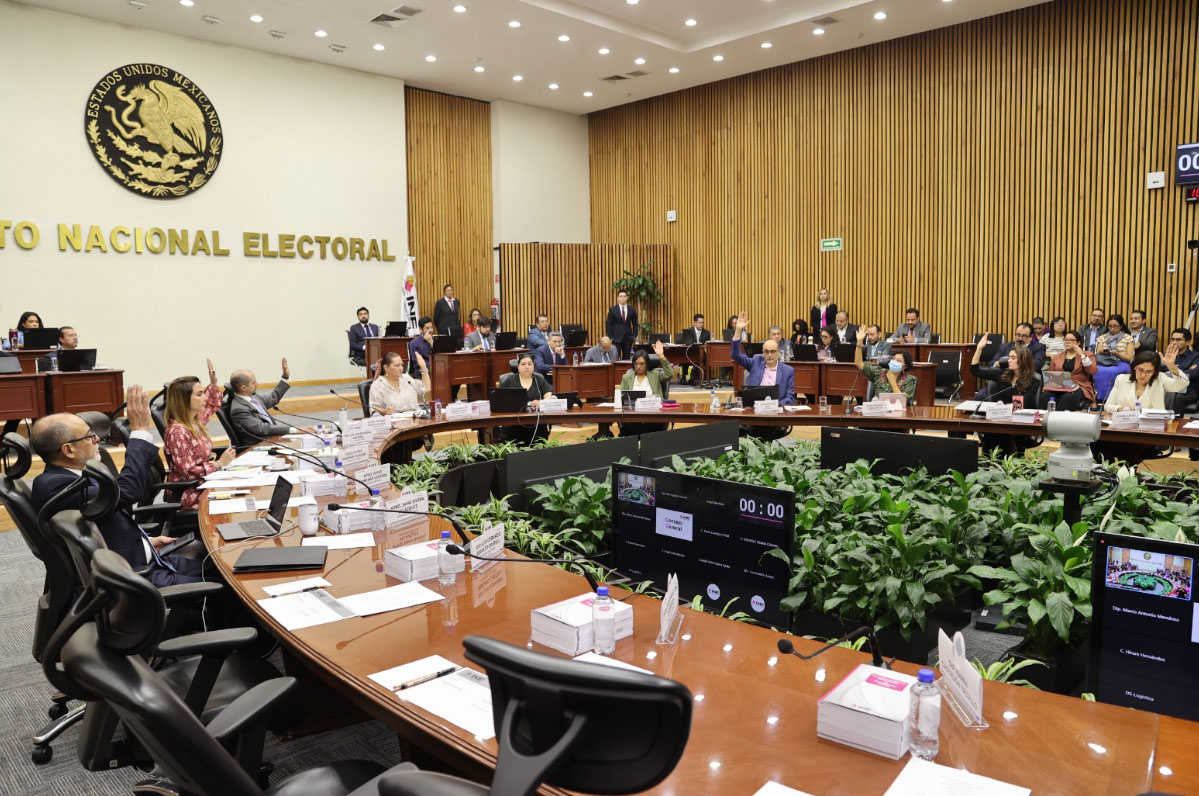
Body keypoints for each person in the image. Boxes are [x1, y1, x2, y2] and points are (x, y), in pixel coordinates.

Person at [30, 386, 205, 586]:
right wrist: (139, 433)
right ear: (69, 450)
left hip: (143, 555)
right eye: (89, 436)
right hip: (136, 576)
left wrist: (146, 541)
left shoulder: (71, 475)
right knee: (227, 584)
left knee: (220, 565)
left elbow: (106, 523)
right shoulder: (57, 487)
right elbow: (127, 492)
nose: (97, 439)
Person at [162, 360, 236, 510]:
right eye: (199, 394)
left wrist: (213, 384)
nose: (205, 398)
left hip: (204, 484)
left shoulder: (194, 422)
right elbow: (187, 472)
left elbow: (211, 406)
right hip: (190, 495)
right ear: (184, 400)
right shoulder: (177, 432)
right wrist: (218, 464)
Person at [1099, 350, 1189, 465]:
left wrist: (1172, 367)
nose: (1143, 374)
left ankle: (1127, 474)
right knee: (1099, 443)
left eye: (1149, 371)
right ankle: (1107, 472)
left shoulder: (1160, 380)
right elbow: (1108, 406)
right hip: (1124, 430)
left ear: (1155, 372)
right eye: (1140, 370)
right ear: (1134, 368)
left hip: (1149, 433)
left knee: (1129, 447)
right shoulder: (1121, 379)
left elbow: (1182, 384)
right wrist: (1119, 409)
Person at [970, 335, 1041, 454]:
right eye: (1009, 357)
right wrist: (979, 349)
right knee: (994, 432)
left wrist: (1003, 409)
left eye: (1013, 358)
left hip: (1020, 425)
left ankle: (1007, 463)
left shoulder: (1033, 381)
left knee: (1003, 434)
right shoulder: (1002, 374)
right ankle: (989, 461)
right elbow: (975, 370)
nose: (1008, 360)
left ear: (1023, 360)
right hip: (999, 422)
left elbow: (1023, 404)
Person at [730, 313, 796, 405]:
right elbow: (736, 355)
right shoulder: (756, 362)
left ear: (778, 352)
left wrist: (776, 405)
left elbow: (790, 397)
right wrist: (738, 331)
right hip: (754, 406)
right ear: (763, 352)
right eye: (766, 352)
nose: (769, 355)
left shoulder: (788, 371)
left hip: (776, 408)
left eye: (773, 351)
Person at [227, 358, 296, 442]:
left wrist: (285, 377)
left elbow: (273, 398)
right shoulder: (238, 409)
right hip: (261, 444)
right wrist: (291, 430)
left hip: (273, 438)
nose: (257, 384)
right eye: (254, 383)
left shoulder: (254, 398)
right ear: (244, 387)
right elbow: (261, 428)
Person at [618, 341, 675, 437]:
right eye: (636, 364)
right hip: (632, 416)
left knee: (651, 426)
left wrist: (661, 356)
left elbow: (670, 374)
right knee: (629, 425)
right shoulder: (627, 377)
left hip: (652, 415)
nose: (638, 367)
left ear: (647, 364)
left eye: (642, 364)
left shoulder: (655, 375)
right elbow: (621, 398)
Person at [496, 353, 553, 445]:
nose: (527, 367)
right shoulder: (509, 380)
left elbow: (549, 396)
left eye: (530, 364)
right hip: (514, 423)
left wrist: (541, 402)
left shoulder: (539, 379)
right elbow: (500, 400)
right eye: (523, 364)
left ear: (533, 366)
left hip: (536, 422)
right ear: (518, 367)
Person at [854, 327, 917, 404]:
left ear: (905, 366)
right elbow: (858, 363)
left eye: (898, 361)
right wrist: (859, 343)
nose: (894, 361)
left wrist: (892, 381)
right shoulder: (879, 372)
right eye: (893, 359)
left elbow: (903, 402)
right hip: (878, 408)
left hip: (897, 410)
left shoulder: (909, 380)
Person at [1042, 330, 1097, 411]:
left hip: (1079, 386)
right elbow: (1051, 374)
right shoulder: (1057, 357)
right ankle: (1044, 417)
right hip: (1060, 386)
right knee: (1046, 395)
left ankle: (1058, 418)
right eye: (1066, 340)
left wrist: (1082, 355)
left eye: (1071, 340)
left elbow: (1092, 371)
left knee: (1067, 397)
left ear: (1078, 343)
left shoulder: (1088, 354)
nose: (1067, 342)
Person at [1093, 314, 1135, 401]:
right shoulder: (1102, 337)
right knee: (1097, 370)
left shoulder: (1128, 338)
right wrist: (1105, 351)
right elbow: (1098, 351)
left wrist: (1117, 354)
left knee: (1112, 371)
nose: (1112, 328)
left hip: (1121, 362)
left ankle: (1111, 398)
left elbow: (1130, 357)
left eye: (1115, 326)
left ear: (1121, 326)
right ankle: (1099, 397)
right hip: (1105, 361)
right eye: (1110, 326)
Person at [605, 289, 639, 359]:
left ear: (627, 297)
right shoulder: (613, 310)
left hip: (628, 338)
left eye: (624, 296)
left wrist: (634, 336)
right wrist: (610, 337)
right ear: (618, 298)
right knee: (615, 358)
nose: (622, 298)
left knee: (626, 359)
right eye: (620, 296)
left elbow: (635, 324)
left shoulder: (632, 310)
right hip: (616, 339)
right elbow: (608, 324)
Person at [678, 314, 710, 384]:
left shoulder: (706, 333)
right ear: (695, 323)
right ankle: (684, 376)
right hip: (690, 352)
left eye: (703, 323)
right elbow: (685, 343)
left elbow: (708, 345)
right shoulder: (688, 331)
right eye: (700, 323)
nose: (701, 324)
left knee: (702, 358)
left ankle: (692, 377)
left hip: (701, 353)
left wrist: (702, 344)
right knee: (684, 358)